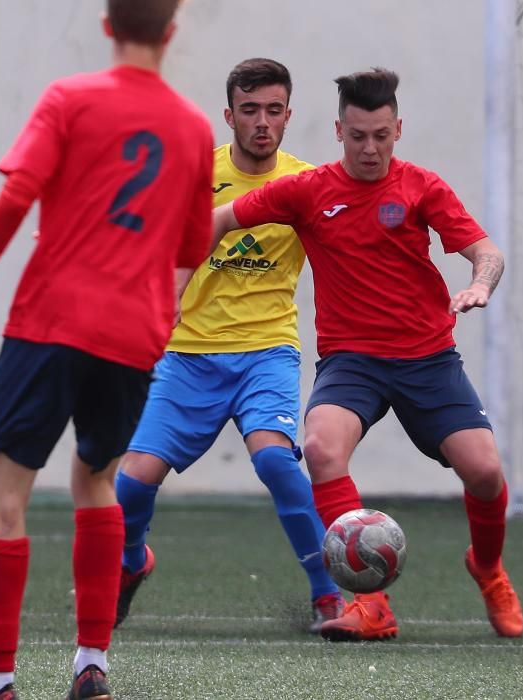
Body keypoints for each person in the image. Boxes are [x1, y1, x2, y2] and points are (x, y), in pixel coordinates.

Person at [0, 2, 213, 698]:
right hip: (133, 336)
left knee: (2, 496)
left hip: (51, 322)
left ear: (106, 25)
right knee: (97, 480)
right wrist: (157, 313)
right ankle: (92, 665)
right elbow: (187, 249)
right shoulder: (192, 128)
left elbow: (16, 197)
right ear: (171, 33)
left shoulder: (70, 98)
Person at [210, 68, 523, 642]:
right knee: (320, 446)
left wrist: (481, 283)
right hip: (352, 361)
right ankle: (371, 604)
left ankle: (487, 568)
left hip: (427, 357)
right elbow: (221, 219)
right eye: (358, 136)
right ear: (338, 130)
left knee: (484, 472)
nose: (370, 148)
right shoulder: (307, 191)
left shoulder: (421, 186)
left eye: (381, 135)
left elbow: (487, 252)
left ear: (397, 129)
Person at [113, 58, 344, 634]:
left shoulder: (308, 185)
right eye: (249, 110)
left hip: (268, 349)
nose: (261, 122)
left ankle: (328, 595)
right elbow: (158, 246)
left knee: (276, 460)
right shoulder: (196, 174)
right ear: (230, 115)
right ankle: (132, 560)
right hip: (190, 352)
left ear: (289, 115)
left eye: (273, 110)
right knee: (130, 481)